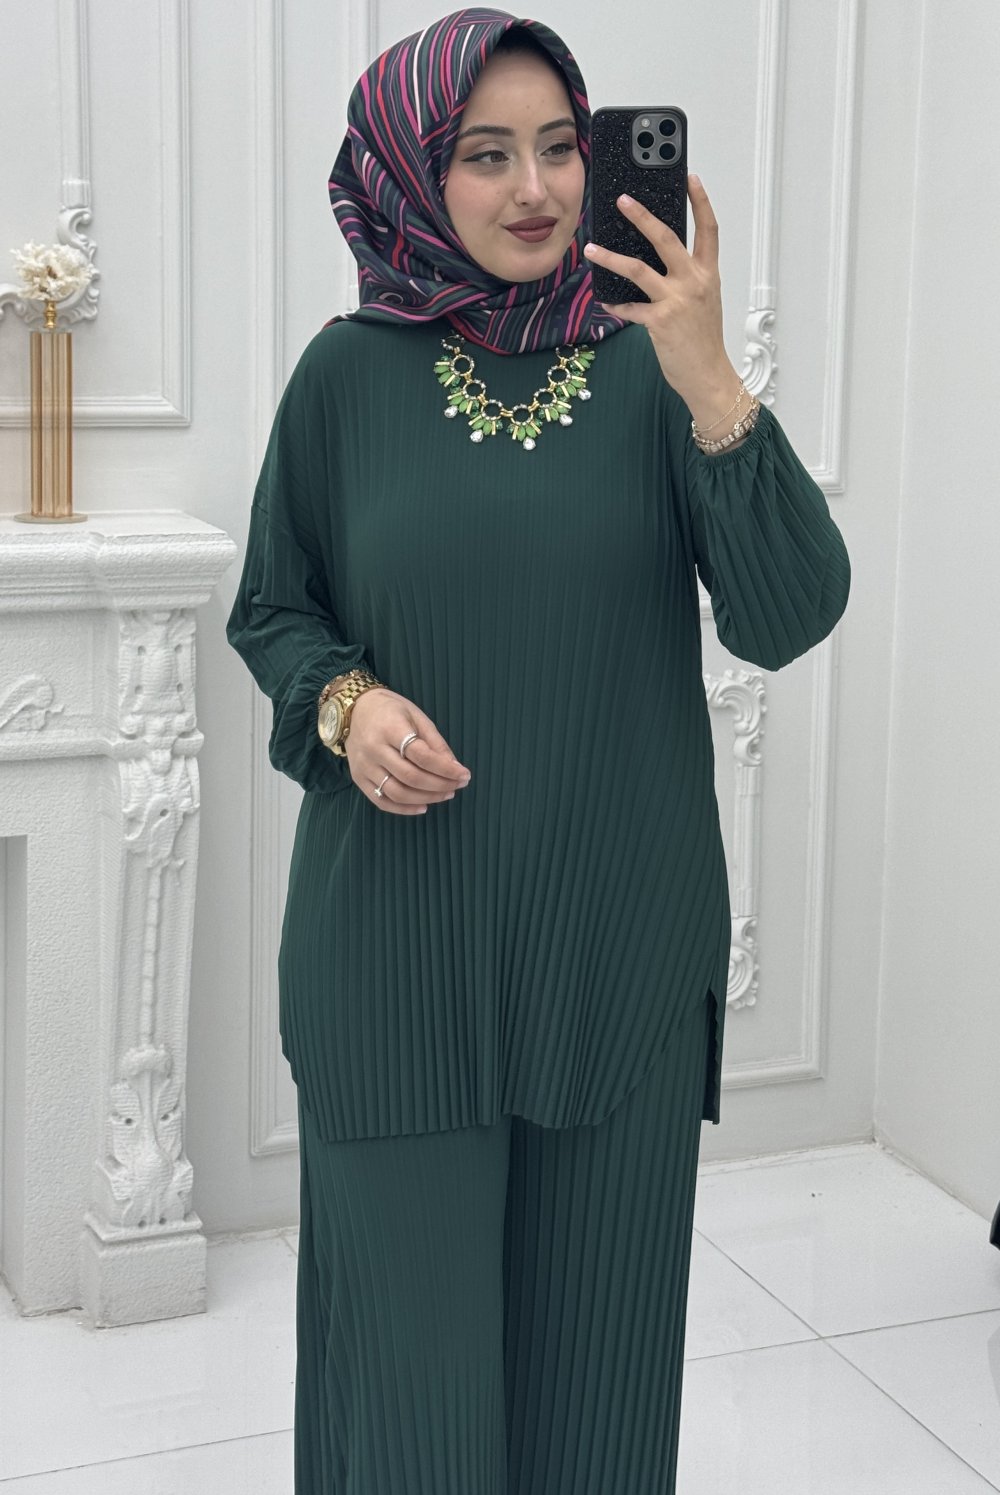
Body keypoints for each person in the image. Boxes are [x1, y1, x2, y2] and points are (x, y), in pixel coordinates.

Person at [226, 9, 850, 1492]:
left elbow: (789, 615)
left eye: (561, 148)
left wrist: (710, 376)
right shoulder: (342, 378)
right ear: (409, 171)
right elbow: (274, 610)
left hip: (615, 959)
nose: (536, 189)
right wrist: (347, 708)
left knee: (598, 1398)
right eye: (485, 154)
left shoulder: (656, 372)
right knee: (411, 1414)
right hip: (395, 962)